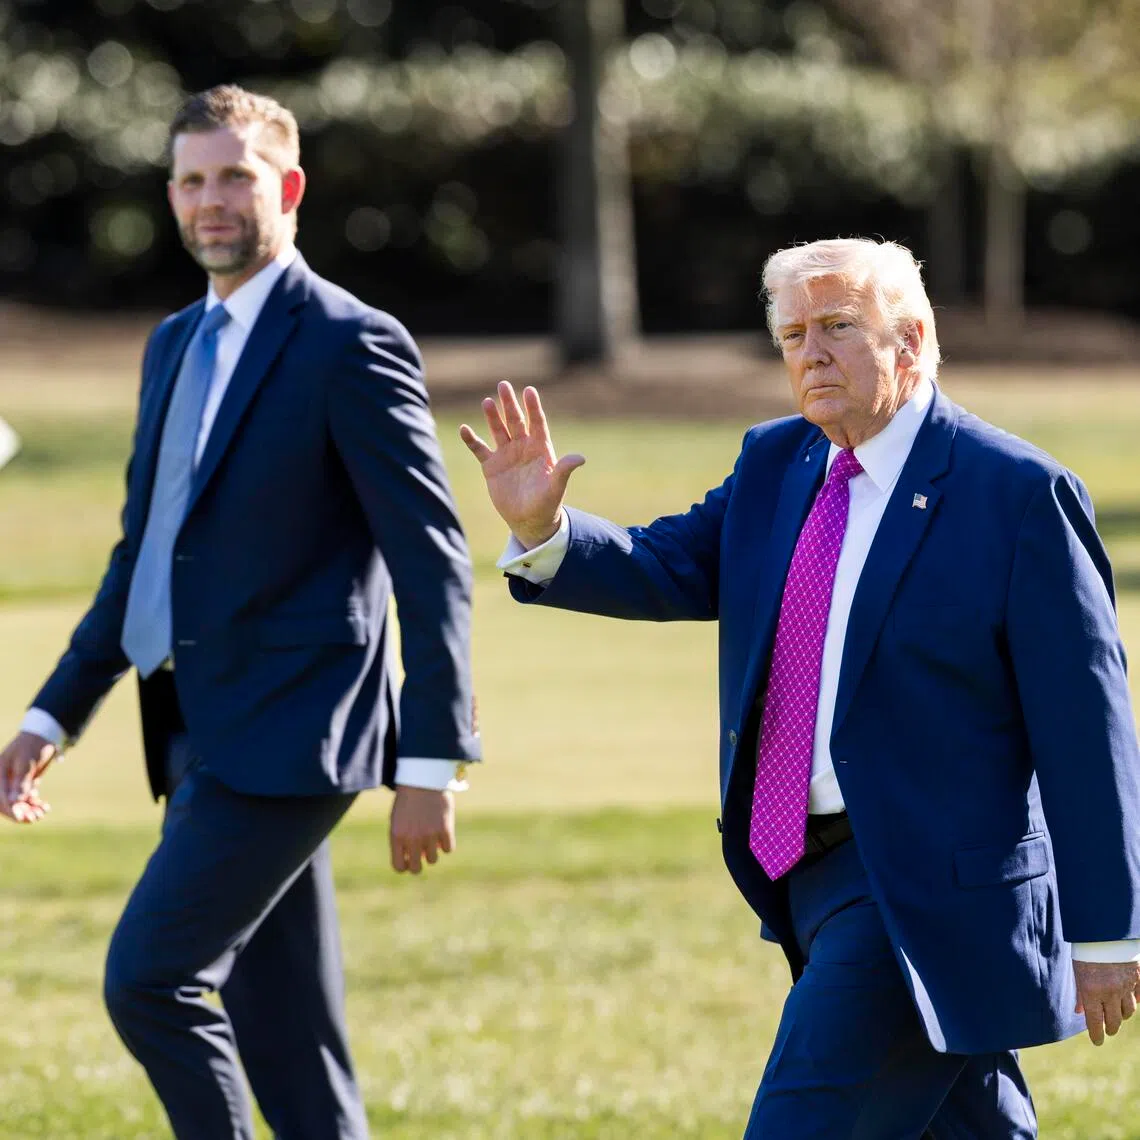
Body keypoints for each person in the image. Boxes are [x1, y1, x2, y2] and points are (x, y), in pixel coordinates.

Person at [460, 238, 1140, 1137]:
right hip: (803, 879)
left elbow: (1087, 726)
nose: (810, 354)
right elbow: (666, 565)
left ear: (913, 338)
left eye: (838, 327)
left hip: (926, 891)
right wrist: (545, 526)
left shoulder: (1014, 492)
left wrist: (1109, 931)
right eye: (791, 335)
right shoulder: (777, 463)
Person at [0, 85, 480, 1139]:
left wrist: (431, 761)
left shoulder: (352, 342)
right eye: (190, 179)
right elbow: (146, 553)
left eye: (234, 176)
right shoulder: (173, 342)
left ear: (289, 188)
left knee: (151, 983)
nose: (209, 200)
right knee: (289, 1039)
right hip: (195, 730)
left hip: (298, 734)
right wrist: (50, 715)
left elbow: (432, 558)